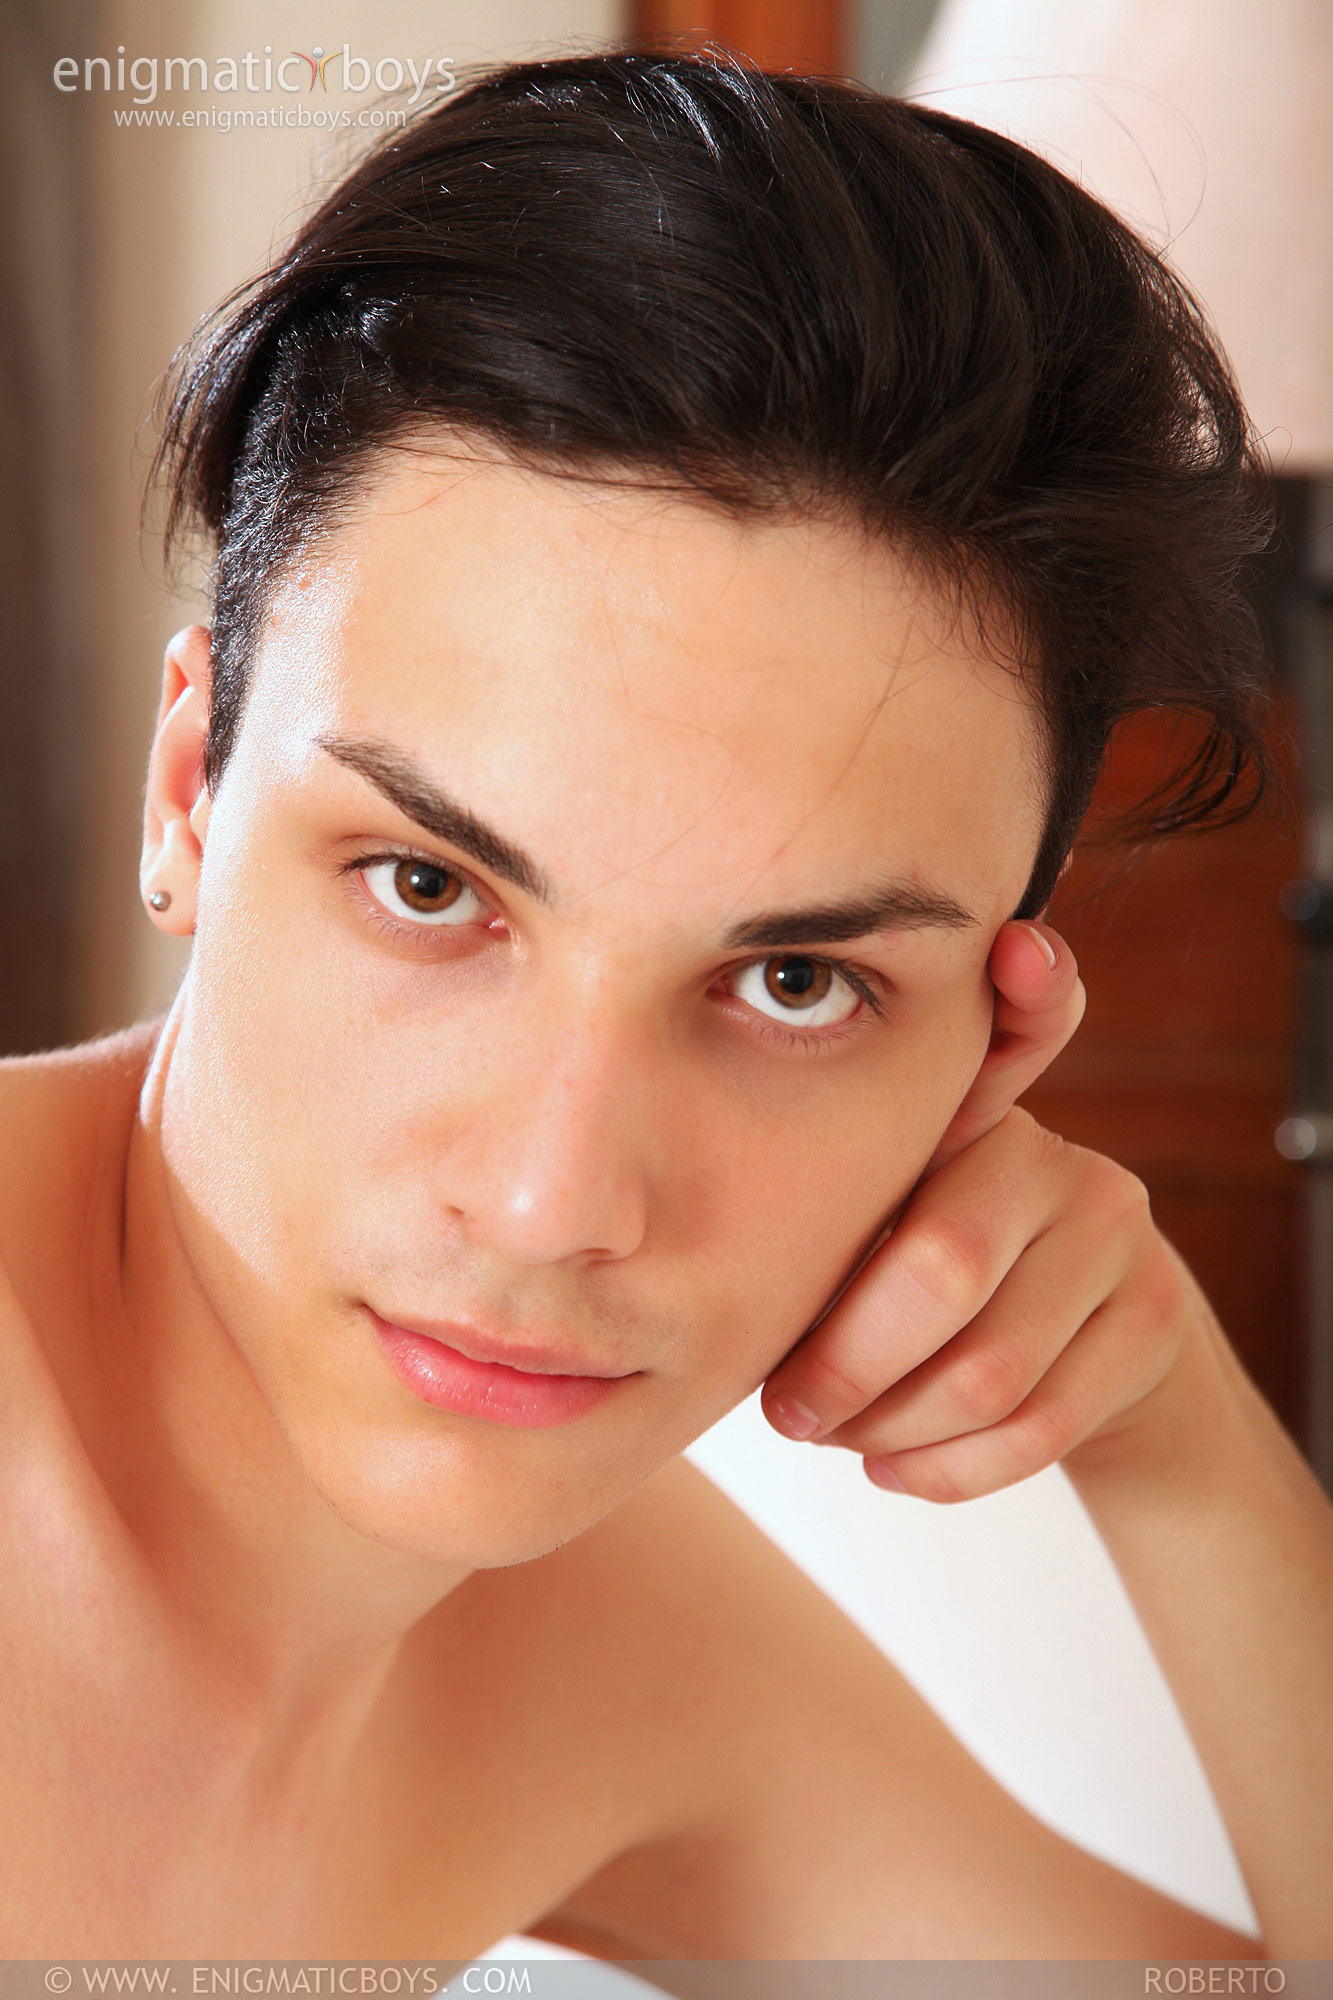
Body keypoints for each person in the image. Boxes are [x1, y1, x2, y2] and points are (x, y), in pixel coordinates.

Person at [2, 47, 1330, 1969]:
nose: (552, 1205)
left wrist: (1167, 1426)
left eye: (795, 983)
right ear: (190, 787)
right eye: (428, 887)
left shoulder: (596, 1655)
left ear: (990, 1043)